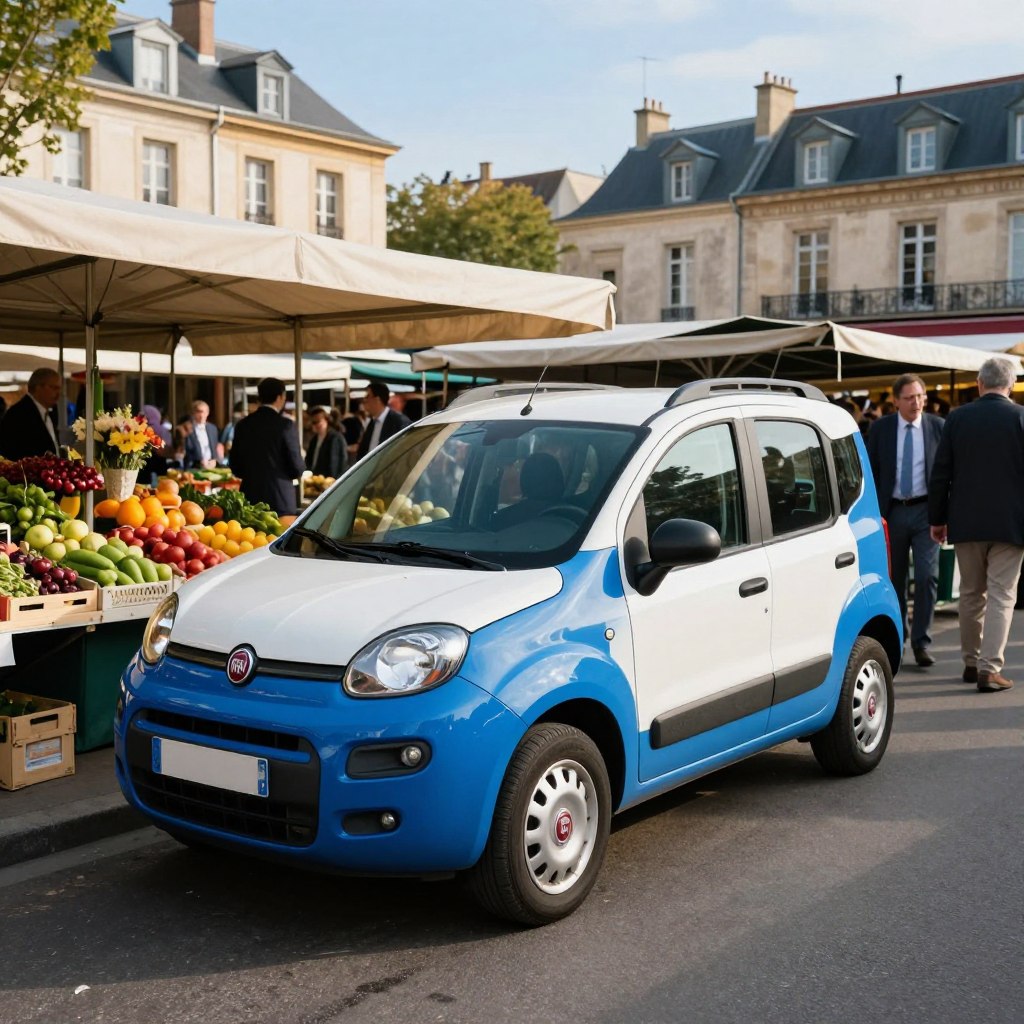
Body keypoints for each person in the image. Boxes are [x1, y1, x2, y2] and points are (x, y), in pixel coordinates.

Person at [929, 357, 1024, 692]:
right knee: (1002, 595)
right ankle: (989, 668)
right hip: (1012, 524)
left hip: (966, 521)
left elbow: (941, 472)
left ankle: (971, 662)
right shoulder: (1021, 418)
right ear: (1010, 385)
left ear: (980, 384)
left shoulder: (957, 418)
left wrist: (937, 519)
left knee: (970, 593)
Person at [866, 373, 944, 668]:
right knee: (894, 579)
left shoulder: (938, 427)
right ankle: (898, 636)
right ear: (896, 400)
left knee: (927, 577)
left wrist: (944, 514)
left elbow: (946, 472)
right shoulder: (881, 429)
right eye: (910, 398)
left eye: (921, 396)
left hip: (927, 513)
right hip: (893, 512)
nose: (917, 403)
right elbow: (871, 471)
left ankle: (921, 641)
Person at [229, 377, 305, 514]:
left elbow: (235, 466)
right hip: (280, 498)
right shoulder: (285, 426)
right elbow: (297, 468)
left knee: (250, 535)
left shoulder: (243, 425)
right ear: (280, 397)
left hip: (250, 497)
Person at [0, 367, 62, 460]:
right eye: (54, 388)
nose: (58, 393)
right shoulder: (19, 414)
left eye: (59, 388)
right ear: (38, 387)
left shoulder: (50, 412)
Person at [356, 382, 411, 459]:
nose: (364, 400)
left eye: (368, 396)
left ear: (377, 399)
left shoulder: (399, 422)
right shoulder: (372, 423)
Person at [304, 406, 347, 478]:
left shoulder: (335, 438)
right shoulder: (314, 440)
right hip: (315, 478)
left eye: (318, 422)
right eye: (313, 422)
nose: (315, 425)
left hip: (330, 480)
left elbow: (338, 463)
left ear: (326, 420)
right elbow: (309, 460)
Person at [182, 400, 222, 469]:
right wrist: (200, 462)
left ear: (208, 413)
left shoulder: (212, 428)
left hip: (211, 467)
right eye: (198, 412)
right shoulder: (186, 428)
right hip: (194, 467)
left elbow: (215, 449)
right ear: (193, 413)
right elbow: (185, 451)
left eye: (204, 412)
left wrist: (215, 461)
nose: (201, 415)